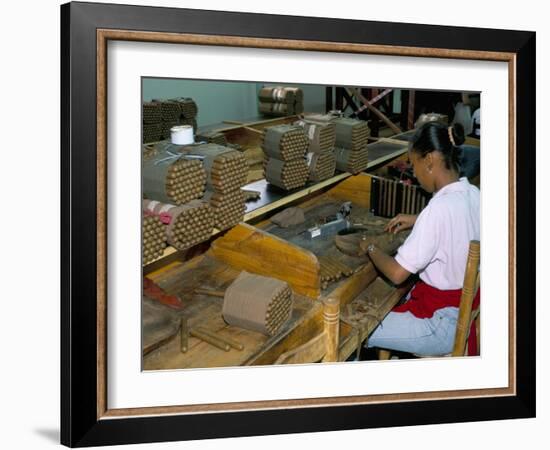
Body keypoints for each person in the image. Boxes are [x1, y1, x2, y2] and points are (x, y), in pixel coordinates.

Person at [362, 122, 480, 356]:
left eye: (414, 165)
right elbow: (456, 220)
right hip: (461, 311)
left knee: (357, 329)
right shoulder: (474, 194)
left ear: (429, 161)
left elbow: (397, 273)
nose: (414, 174)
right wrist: (418, 218)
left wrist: (371, 247)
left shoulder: (436, 210)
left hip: (439, 324)